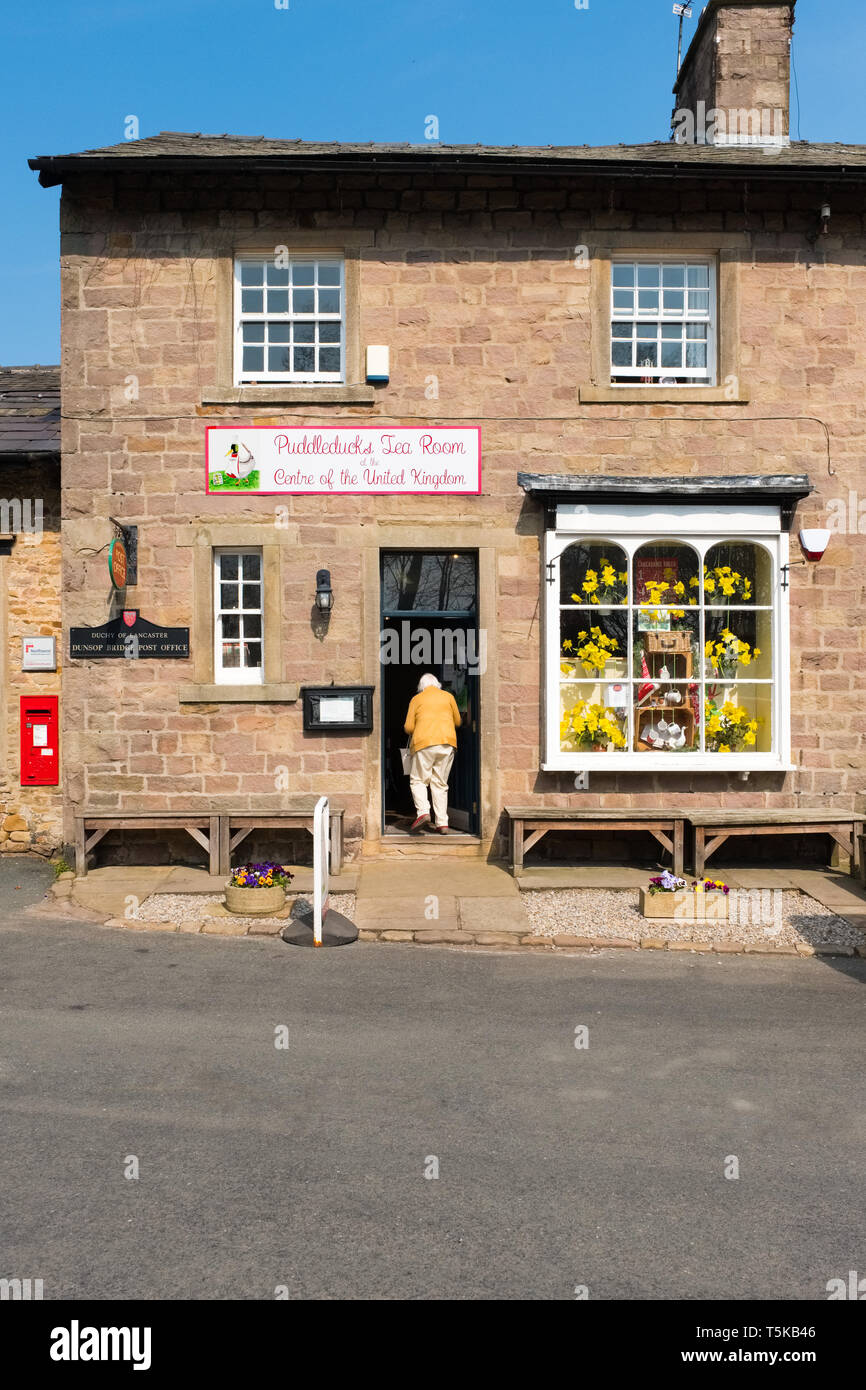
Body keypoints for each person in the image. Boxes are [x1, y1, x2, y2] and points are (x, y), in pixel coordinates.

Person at [403, 673, 462, 834]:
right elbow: (458, 721)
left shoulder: (416, 699)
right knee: (440, 783)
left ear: (421, 687)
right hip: (447, 743)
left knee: (418, 781)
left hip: (423, 744)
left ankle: (423, 812)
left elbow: (408, 727)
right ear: (438, 684)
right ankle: (442, 823)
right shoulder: (448, 697)